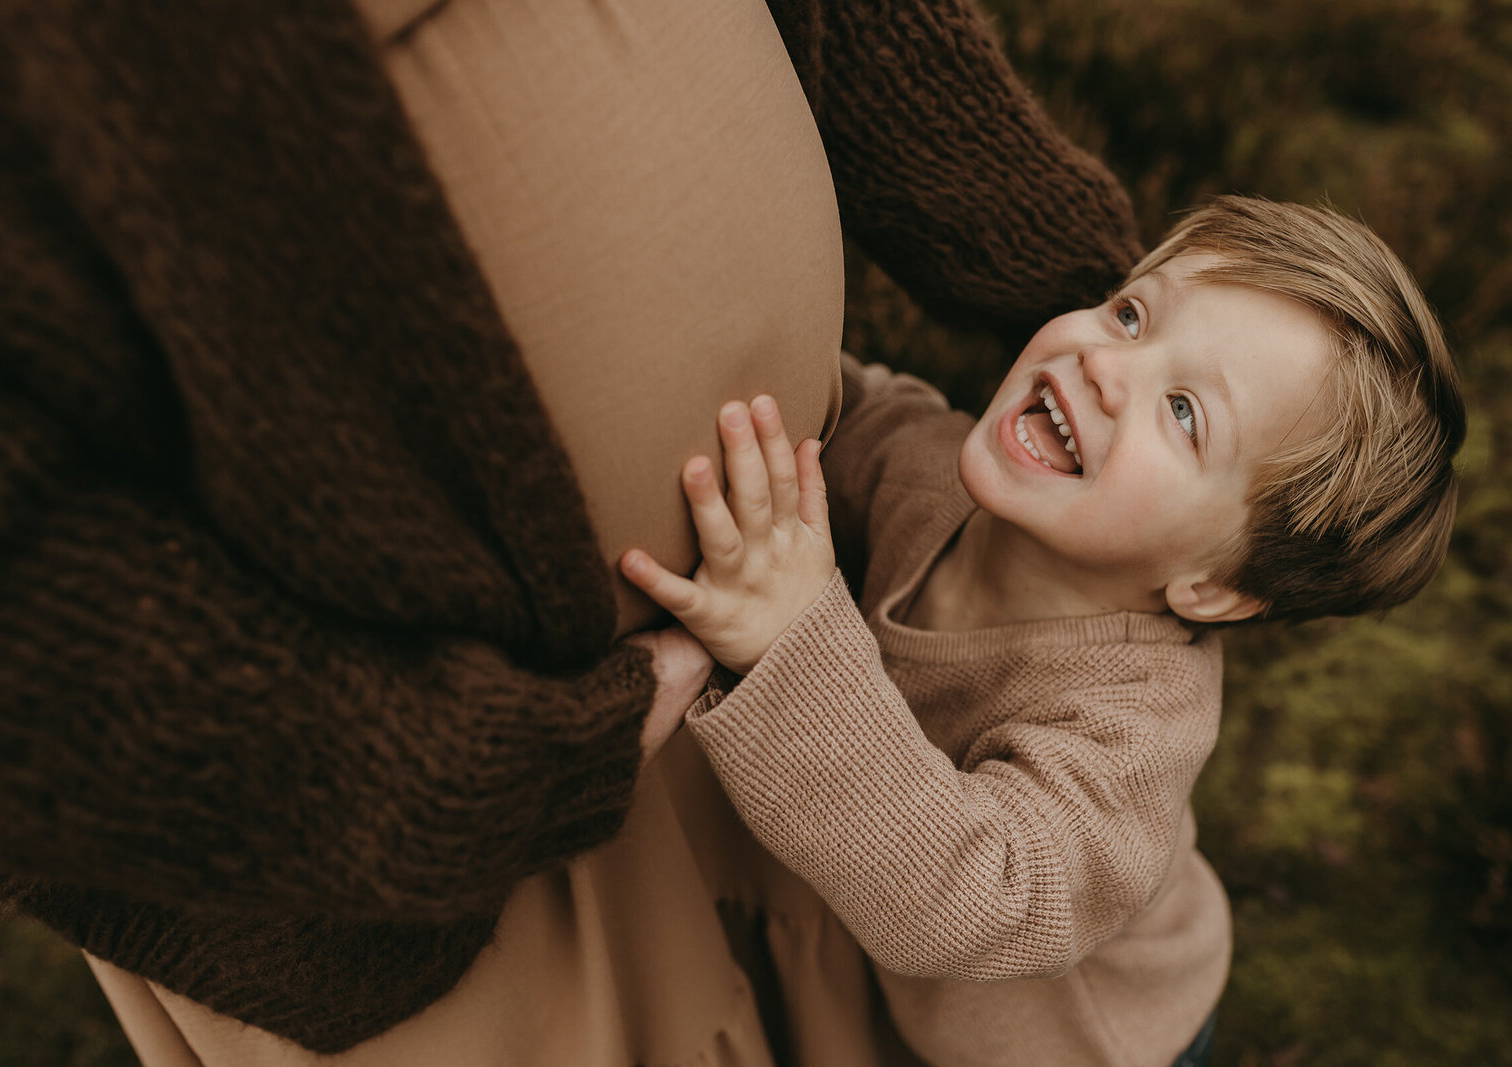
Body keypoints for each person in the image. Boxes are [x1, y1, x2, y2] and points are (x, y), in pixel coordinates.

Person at [0, 0, 1147, 1062]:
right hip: (385, 808)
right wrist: (430, 781)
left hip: (730, 694)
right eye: (1133, 329)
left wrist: (1086, 290)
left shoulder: (1109, 664)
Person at [623, 196, 1466, 1067]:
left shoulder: (1138, 729)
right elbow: (841, 401)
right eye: (1133, 314)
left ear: (1213, 586)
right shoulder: (922, 470)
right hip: (903, 1002)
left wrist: (791, 639)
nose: (1109, 367)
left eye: (1184, 413)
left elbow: (977, 901)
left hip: (1094, 1044)